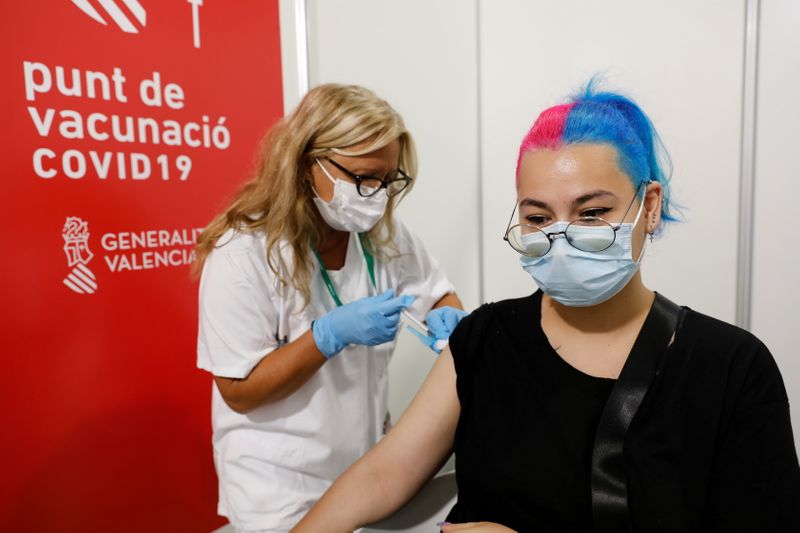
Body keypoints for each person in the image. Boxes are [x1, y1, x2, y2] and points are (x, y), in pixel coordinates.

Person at [292, 83, 800, 532]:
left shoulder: (730, 368)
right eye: (538, 217)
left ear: (648, 206)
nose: (561, 237)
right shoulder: (486, 339)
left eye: (592, 212)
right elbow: (382, 478)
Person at [194, 83, 466, 532]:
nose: (376, 193)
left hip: (365, 468)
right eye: (362, 177)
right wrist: (326, 336)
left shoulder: (382, 235)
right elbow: (239, 391)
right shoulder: (243, 254)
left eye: (387, 178)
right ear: (306, 164)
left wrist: (448, 314)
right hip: (278, 485)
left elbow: (435, 290)